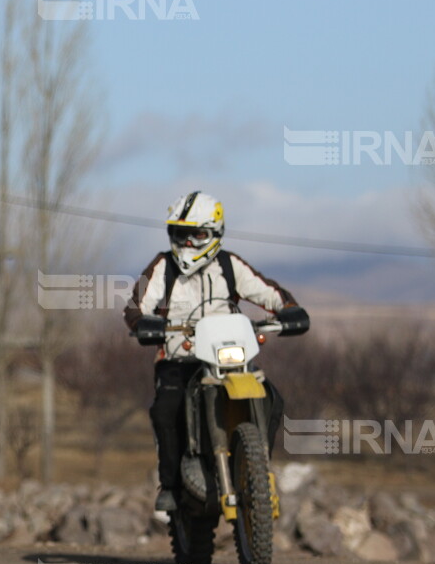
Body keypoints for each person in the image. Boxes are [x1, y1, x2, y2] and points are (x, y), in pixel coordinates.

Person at [123, 191, 309, 513]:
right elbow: (135, 304)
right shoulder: (163, 266)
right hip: (179, 359)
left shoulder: (229, 264)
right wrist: (142, 322)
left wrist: (289, 311)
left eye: (197, 234)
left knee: (272, 396)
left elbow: (271, 293)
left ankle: (257, 467)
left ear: (214, 233)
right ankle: (170, 485)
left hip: (229, 357)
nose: (189, 243)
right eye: (181, 234)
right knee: (167, 409)